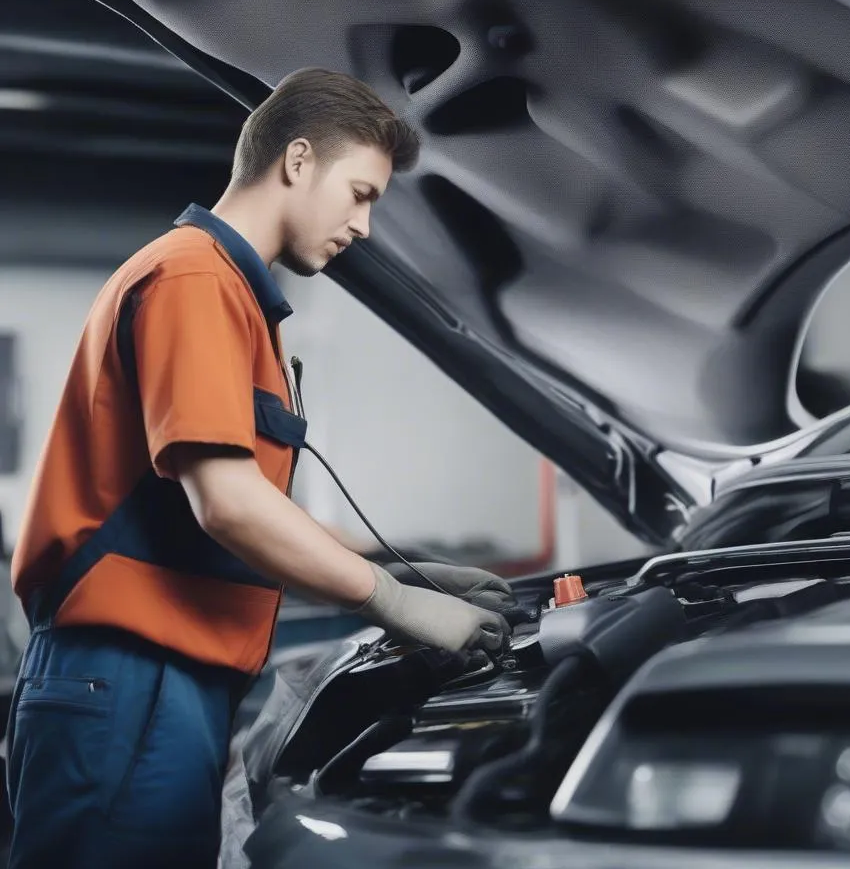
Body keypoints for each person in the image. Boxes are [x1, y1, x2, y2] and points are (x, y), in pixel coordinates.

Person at [5, 68, 514, 868]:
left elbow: (236, 517)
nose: (366, 226)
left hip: (168, 684)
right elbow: (231, 507)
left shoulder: (231, 293)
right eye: (360, 193)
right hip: (129, 679)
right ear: (299, 160)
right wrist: (391, 602)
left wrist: (403, 570)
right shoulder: (194, 276)